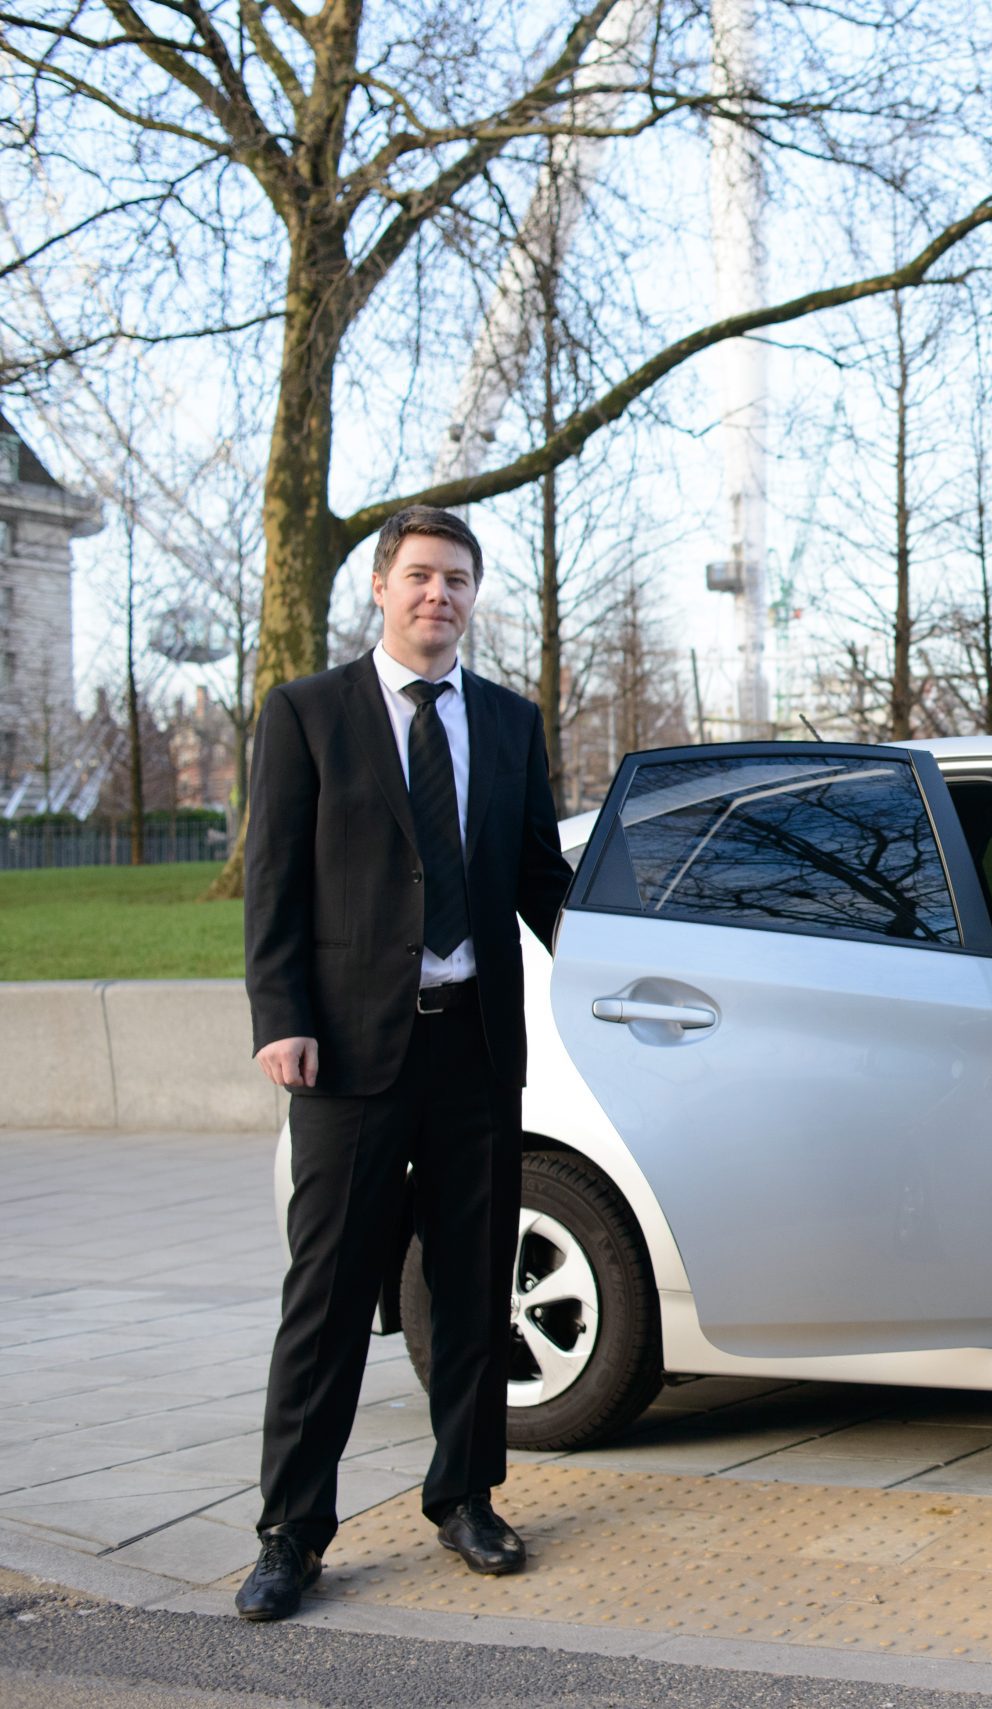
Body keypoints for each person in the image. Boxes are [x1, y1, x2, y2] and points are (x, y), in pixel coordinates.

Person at [236, 507, 577, 1623]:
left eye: (460, 579)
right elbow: (275, 882)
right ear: (381, 587)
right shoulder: (307, 713)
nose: (441, 595)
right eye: (421, 575)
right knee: (327, 1298)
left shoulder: (511, 723)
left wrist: (626, 954)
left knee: (473, 1287)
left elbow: (538, 876)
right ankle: (292, 1530)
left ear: (475, 596)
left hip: (474, 1048)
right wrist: (281, 1014)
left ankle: (465, 1495)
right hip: (344, 1054)